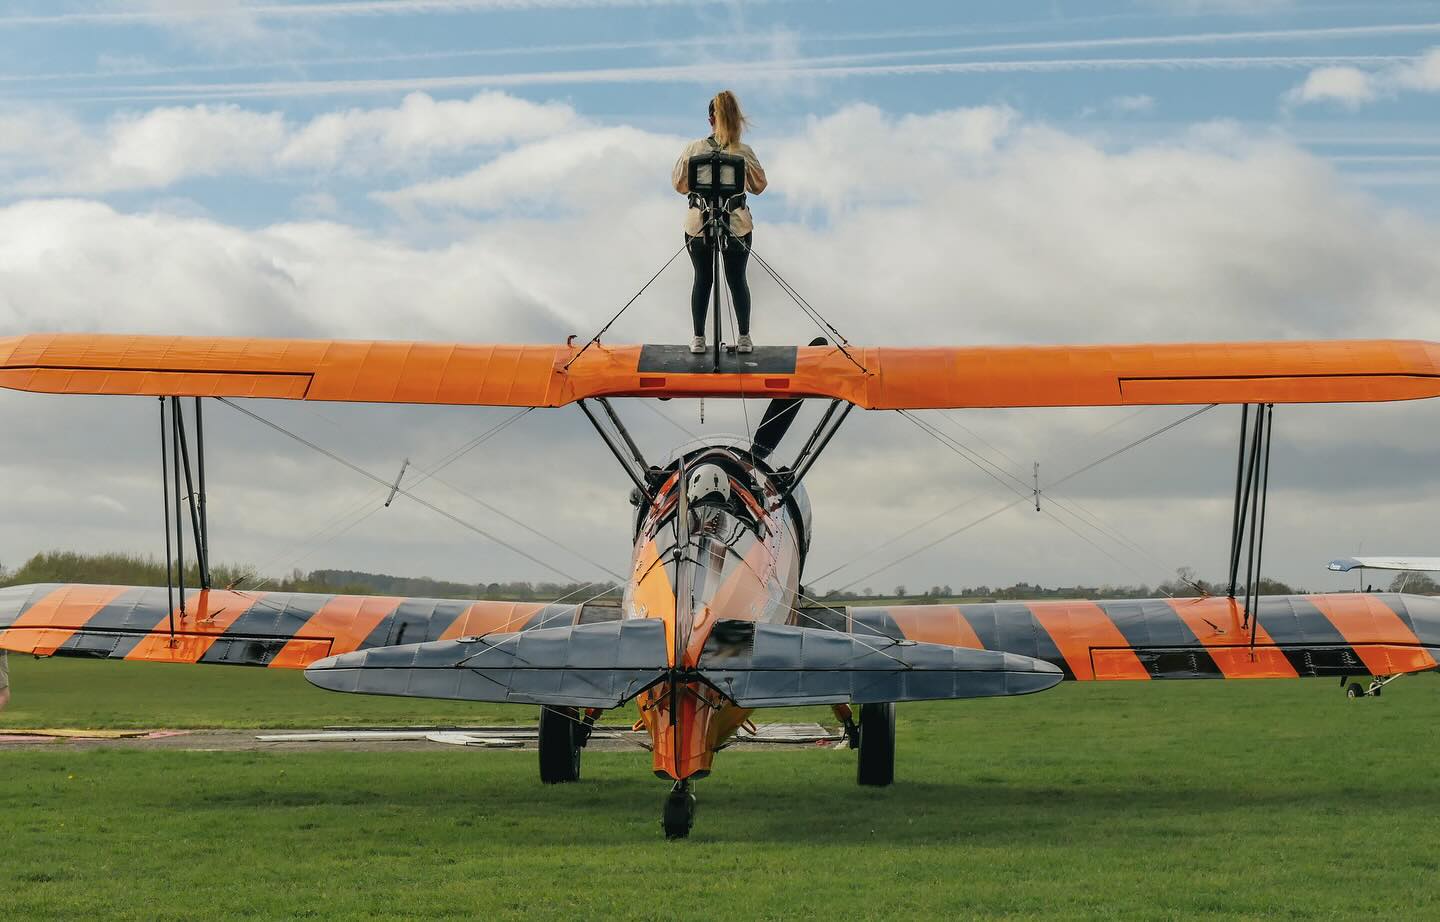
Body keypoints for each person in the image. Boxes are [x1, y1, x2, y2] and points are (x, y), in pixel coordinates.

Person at [672, 90, 767, 354]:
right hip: (736, 226)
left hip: (698, 227)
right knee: (737, 279)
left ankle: (698, 339)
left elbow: (679, 185)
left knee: (702, 278)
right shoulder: (744, 152)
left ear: (711, 119)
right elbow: (759, 186)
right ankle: (744, 338)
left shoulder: (693, 149)